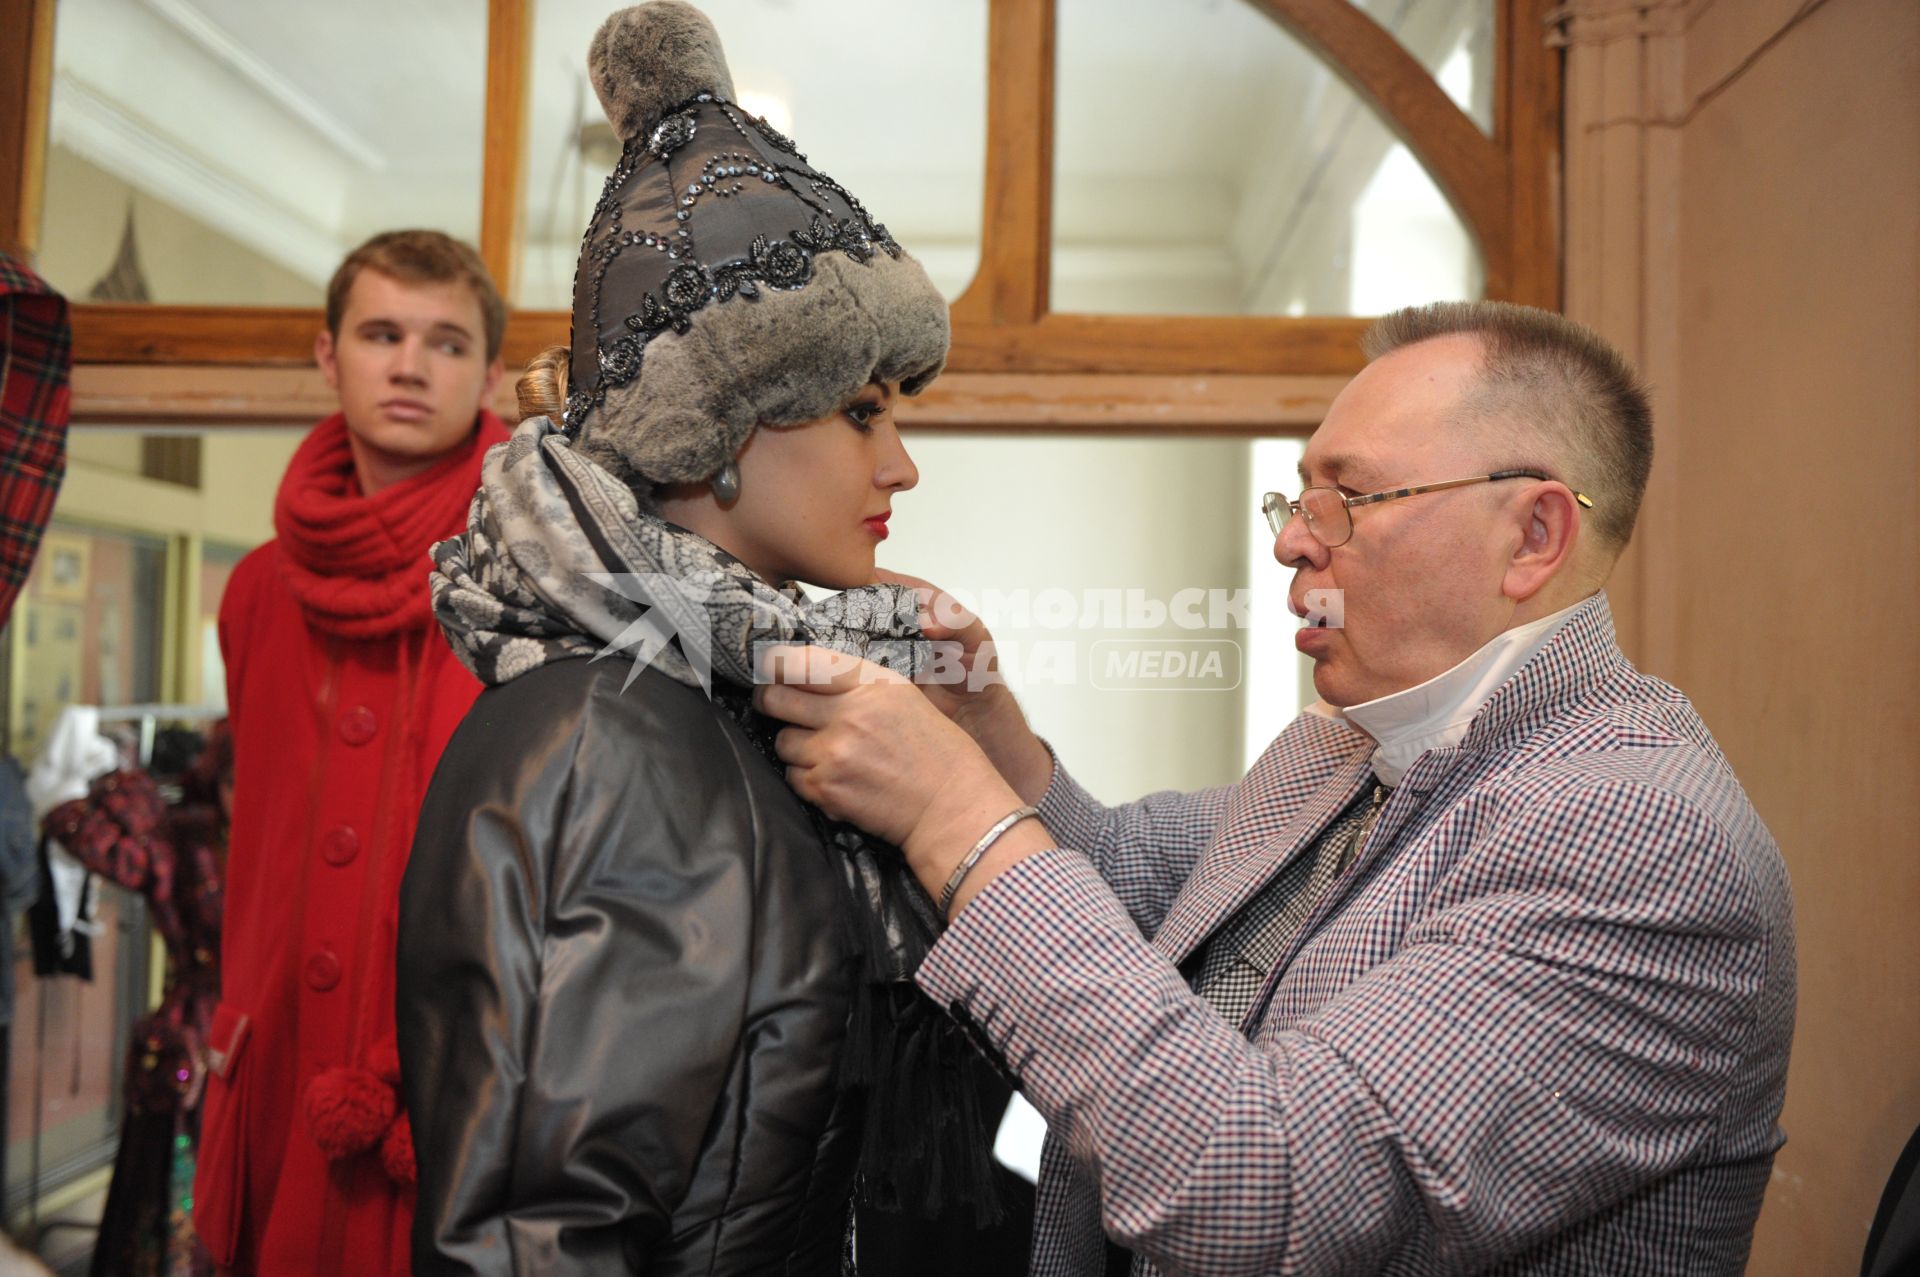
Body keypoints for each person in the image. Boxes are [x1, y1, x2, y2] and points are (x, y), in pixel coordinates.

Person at [756, 300, 1796, 1275]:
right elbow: (1126, 880)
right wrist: (985, 730)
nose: (1294, 538)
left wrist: (955, 815)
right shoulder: (1345, 745)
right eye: (1300, 496)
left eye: (1348, 497)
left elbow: (1262, 1185)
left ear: (1533, 537)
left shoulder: (1638, 832)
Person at [396, 4, 1008, 1273]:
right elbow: (537, 1240)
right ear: (717, 426)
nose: (900, 463)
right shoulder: (603, 734)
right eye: (858, 410)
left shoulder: (764, 692)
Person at [194, 230, 510, 1277]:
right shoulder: (254, 591)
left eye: (445, 342)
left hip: (455, 1088)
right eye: (381, 333)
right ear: (329, 356)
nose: (410, 365)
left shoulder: (539, 581)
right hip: (277, 1071)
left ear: (491, 374)